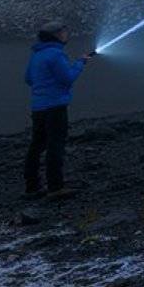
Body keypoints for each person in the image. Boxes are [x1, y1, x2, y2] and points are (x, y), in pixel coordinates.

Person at [24, 19, 95, 197]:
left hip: (38, 107)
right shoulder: (56, 55)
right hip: (55, 107)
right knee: (55, 145)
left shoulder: (37, 55)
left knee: (36, 146)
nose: (66, 35)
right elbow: (67, 78)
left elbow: (29, 79)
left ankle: (32, 186)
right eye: (64, 32)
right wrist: (80, 63)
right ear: (56, 35)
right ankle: (56, 187)